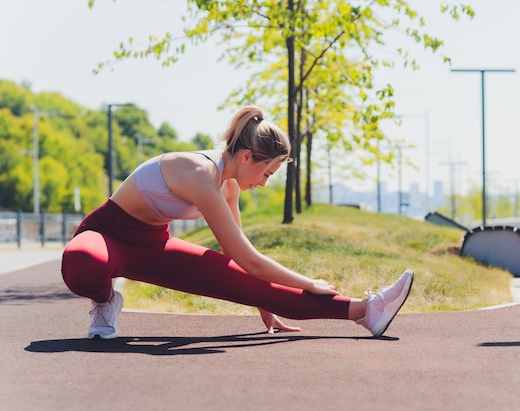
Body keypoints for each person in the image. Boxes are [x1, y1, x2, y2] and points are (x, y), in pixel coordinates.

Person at [61, 105, 414, 340]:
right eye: (266, 172)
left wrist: (265, 303)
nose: (264, 182)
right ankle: (106, 300)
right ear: (247, 156)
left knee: (263, 286)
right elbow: (251, 262)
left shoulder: (229, 186)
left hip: (153, 247)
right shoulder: (199, 173)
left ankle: (367, 311)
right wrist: (310, 281)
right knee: (83, 264)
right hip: (106, 236)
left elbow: (245, 258)